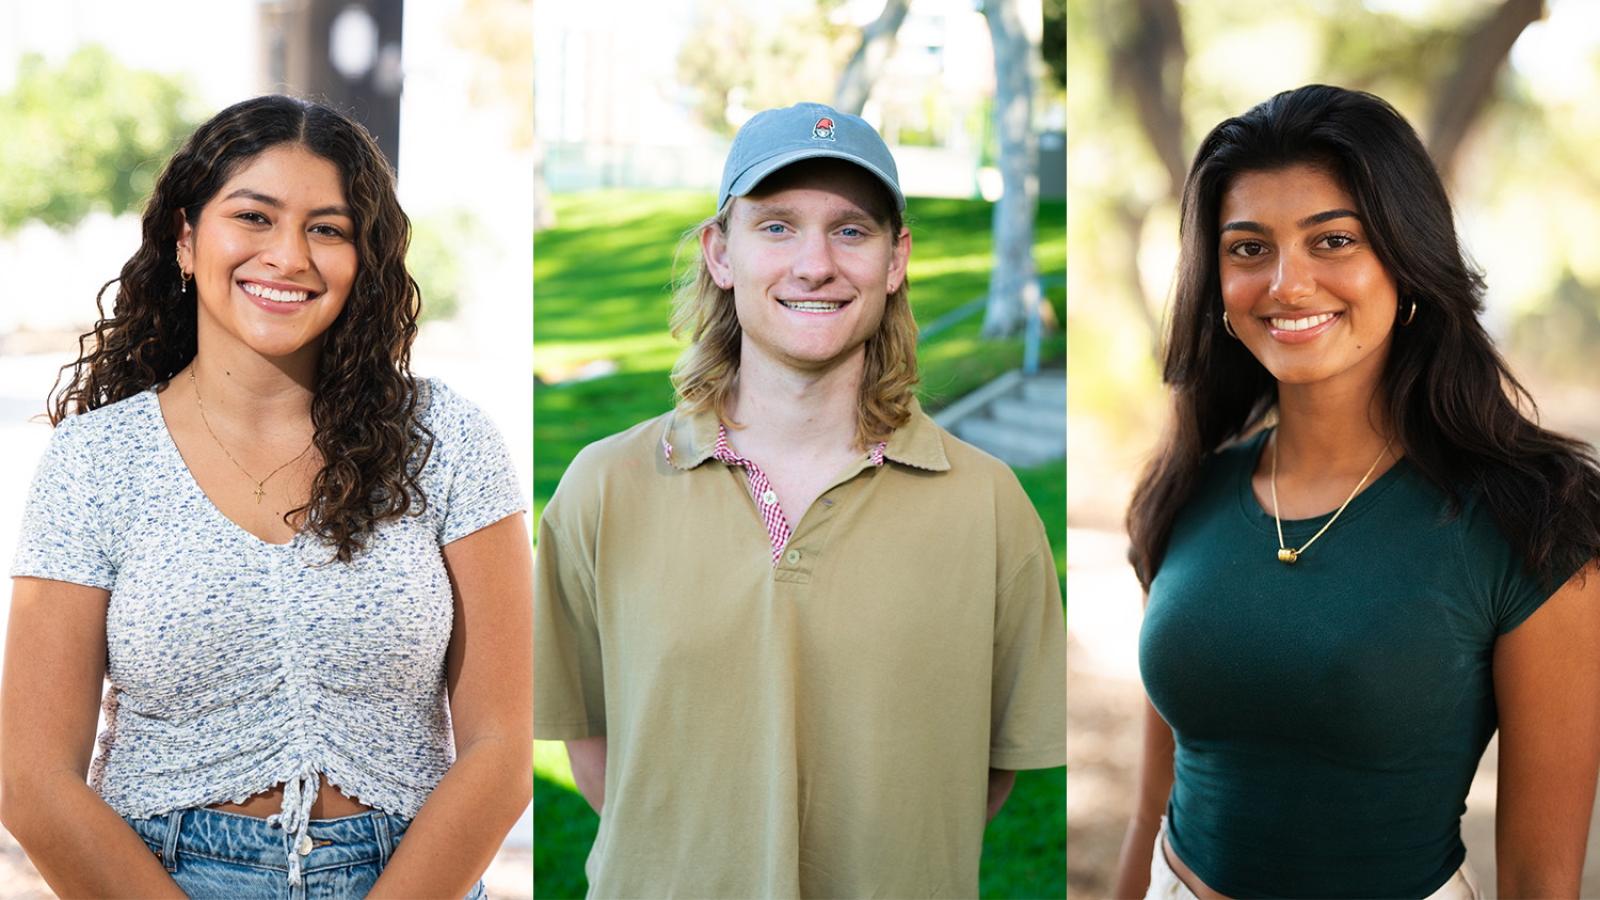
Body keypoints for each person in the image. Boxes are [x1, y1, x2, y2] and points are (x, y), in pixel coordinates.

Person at [0, 95, 532, 898]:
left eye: (328, 228)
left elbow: (508, 740)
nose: (289, 256)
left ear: (364, 259)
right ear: (185, 237)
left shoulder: (447, 441)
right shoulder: (95, 461)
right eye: (254, 217)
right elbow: (30, 776)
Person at [533, 102, 1066, 897]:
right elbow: (594, 744)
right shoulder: (604, 489)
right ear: (721, 253)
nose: (815, 263)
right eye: (777, 226)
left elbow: (978, 777)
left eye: (851, 230)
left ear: (895, 260)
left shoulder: (989, 507)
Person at [1113, 84, 1600, 899]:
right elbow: (1148, 809)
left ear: (1406, 261)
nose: (1287, 284)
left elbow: (1537, 880)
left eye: (1332, 240)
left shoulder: (1533, 522)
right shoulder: (1187, 487)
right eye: (1247, 248)